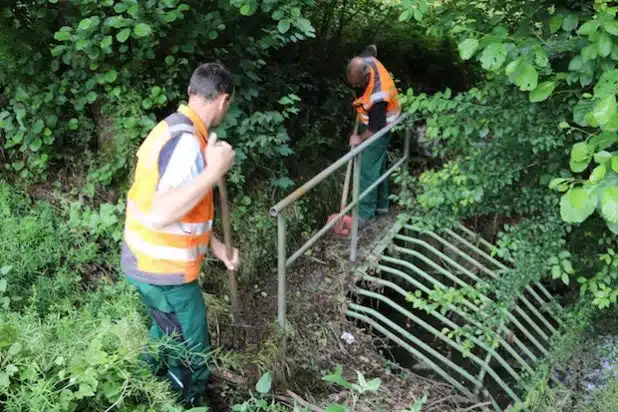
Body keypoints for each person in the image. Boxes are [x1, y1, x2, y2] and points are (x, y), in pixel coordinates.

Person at [120, 62, 240, 407]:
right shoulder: (186, 143)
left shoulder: (172, 129)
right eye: (227, 106)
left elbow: (185, 211)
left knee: (166, 329)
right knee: (192, 350)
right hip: (163, 272)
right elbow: (161, 213)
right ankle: (184, 401)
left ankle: (139, 385)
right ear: (222, 100)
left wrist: (215, 246)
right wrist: (213, 171)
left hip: (147, 263)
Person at [345, 45, 400, 228]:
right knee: (378, 164)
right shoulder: (366, 60)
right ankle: (382, 206)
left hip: (381, 127)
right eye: (351, 83)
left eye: (357, 84)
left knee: (367, 168)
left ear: (367, 76)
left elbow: (375, 128)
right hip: (372, 120)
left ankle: (365, 215)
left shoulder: (378, 96)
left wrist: (359, 138)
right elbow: (372, 48)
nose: (354, 87)